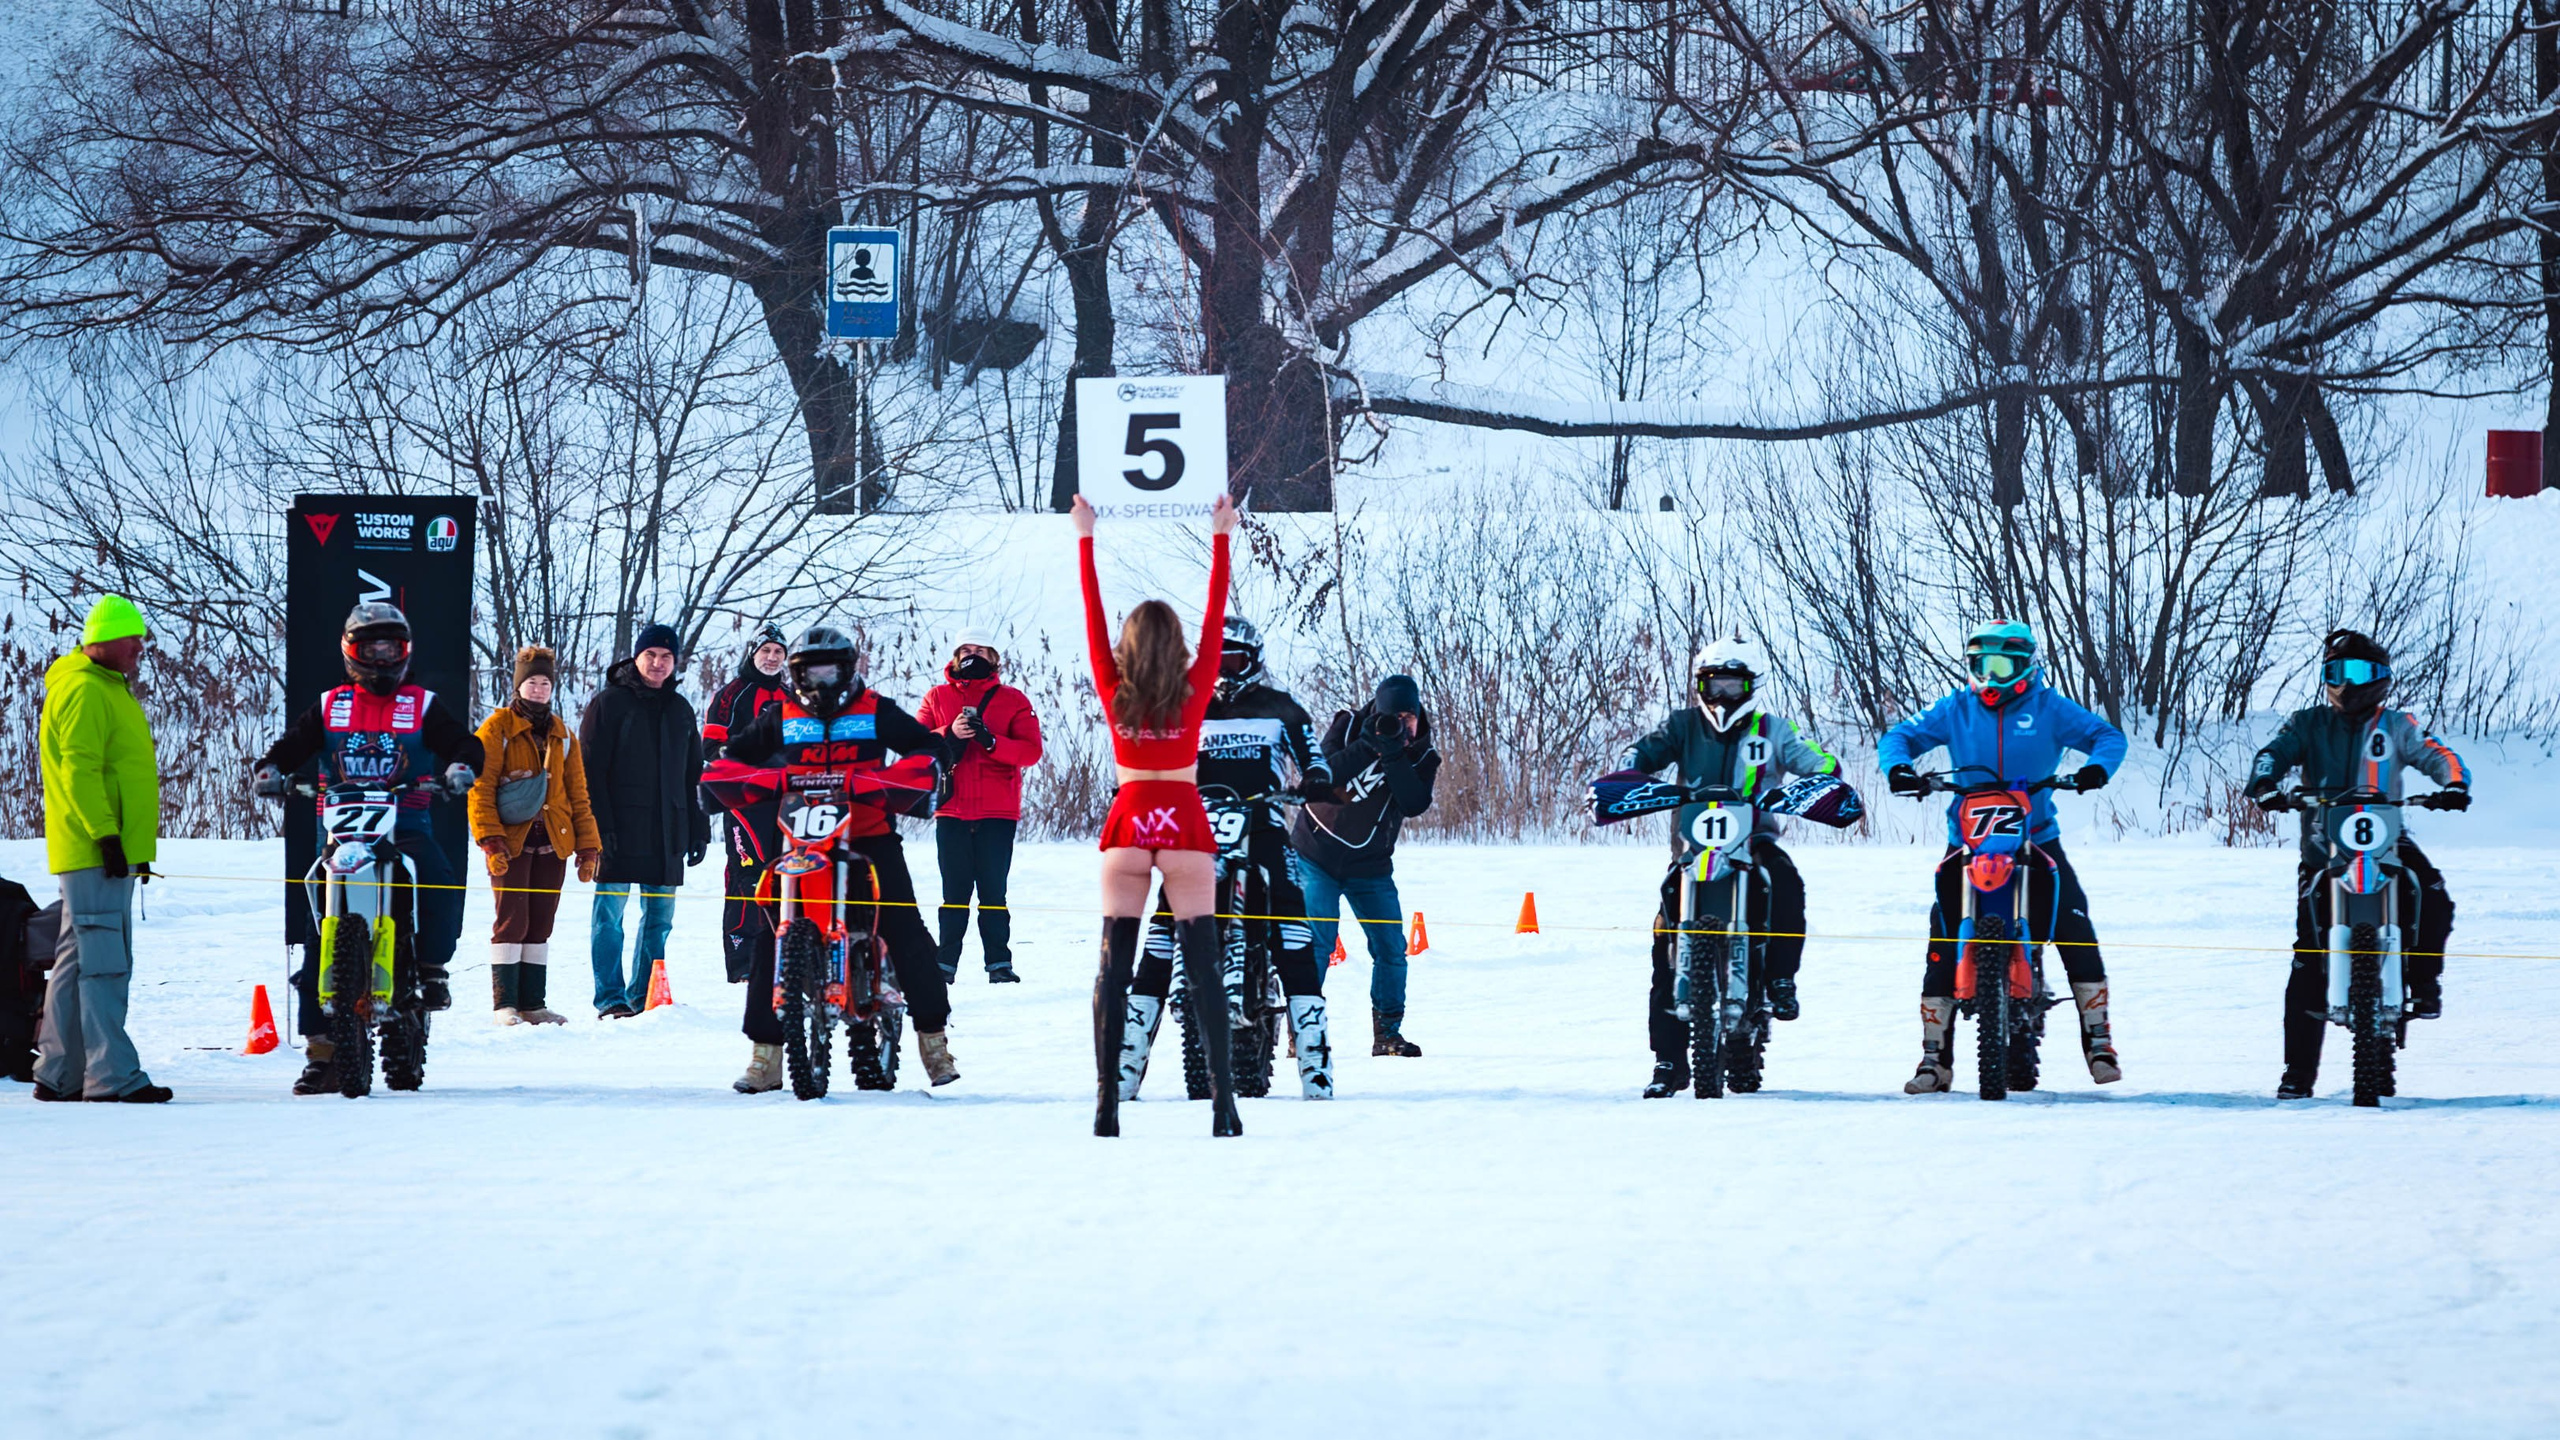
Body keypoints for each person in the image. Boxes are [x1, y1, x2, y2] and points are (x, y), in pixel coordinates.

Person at [1880, 620, 2126, 1094]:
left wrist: (2096, 769)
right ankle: (1934, 1060)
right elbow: (1898, 737)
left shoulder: (2049, 707)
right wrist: (1900, 769)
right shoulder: (1955, 707)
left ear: (2025, 666)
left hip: (2037, 837)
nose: (1989, 677)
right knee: (1943, 935)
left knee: (2073, 923)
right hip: (1968, 841)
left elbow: (2107, 736)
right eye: (1980, 665)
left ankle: (2099, 1042)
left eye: (2001, 666)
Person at [719, 625, 962, 1090]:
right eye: (810, 672)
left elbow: (929, 746)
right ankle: (765, 1056)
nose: (820, 681)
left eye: (829, 671)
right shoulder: (781, 714)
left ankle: (933, 1041)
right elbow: (737, 755)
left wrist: (911, 774)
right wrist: (725, 773)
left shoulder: (874, 709)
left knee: (904, 927)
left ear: (847, 670)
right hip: (802, 842)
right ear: (796, 674)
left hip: (869, 835)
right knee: (771, 934)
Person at [254, 601, 483, 1095]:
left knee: (439, 879)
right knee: (318, 934)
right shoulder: (330, 705)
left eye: (390, 649)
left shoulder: (421, 704)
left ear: (405, 652)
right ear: (350, 652)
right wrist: (271, 769)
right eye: (371, 649)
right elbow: (291, 746)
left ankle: (431, 968)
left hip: (405, 825)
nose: (381, 659)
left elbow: (462, 743)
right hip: (340, 832)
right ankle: (322, 1055)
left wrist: (461, 767)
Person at [1079, 490, 1244, 1137]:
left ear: (1127, 646)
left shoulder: (1113, 687)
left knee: (1112, 968)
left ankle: (1106, 1103)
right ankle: (1224, 1104)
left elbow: (1092, 617)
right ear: (1175, 645)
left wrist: (1086, 538)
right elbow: (1215, 618)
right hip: (1183, 822)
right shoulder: (1195, 686)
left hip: (1130, 821)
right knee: (1204, 969)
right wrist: (1221, 535)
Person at [1120, 611, 1338, 1099]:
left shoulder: (1281, 706)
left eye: (1235, 659)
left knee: (1293, 932)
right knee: (1162, 930)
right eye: (1218, 659)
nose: (1226, 668)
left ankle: (1316, 1072)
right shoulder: (1185, 705)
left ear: (1253, 660)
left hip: (1263, 822)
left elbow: (1312, 755)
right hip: (1199, 826)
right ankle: (1124, 1071)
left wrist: (1316, 779)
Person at [2244, 629, 2469, 1100]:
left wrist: (2453, 784)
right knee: (2307, 957)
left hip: (2386, 842)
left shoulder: (2397, 725)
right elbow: (2272, 754)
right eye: (2336, 672)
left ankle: (2424, 983)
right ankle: (2297, 1076)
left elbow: (2437, 753)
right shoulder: (2307, 723)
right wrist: (2265, 785)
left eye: (2359, 672)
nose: (2346, 683)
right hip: (2323, 847)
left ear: (2381, 678)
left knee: (2435, 897)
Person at [1621, 637, 1841, 1098]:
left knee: (1787, 882)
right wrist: (1628, 772)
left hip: (1755, 841)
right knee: (1665, 941)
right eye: (1713, 684)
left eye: (1731, 685)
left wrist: (1822, 774)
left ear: (1750, 686)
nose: (1721, 695)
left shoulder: (1773, 729)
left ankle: (1780, 979)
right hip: (1692, 851)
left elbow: (1813, 759)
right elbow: (1644, 752)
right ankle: (1668, 1062)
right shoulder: (1682, 726)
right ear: (1700, 685)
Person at [31, 595, 171, 1103]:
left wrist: (131, 846)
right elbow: (81, 770)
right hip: (94, 849)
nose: (140, 647)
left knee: (77, 956)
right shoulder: (86, 690)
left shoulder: (103, 686)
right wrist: (108, 837)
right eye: (132, 638)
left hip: (100, 849)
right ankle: (113, 1076)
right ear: (104, 641)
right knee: (104, 964)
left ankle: (59, 1073)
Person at [1290, 673, 1439, 1068]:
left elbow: (1414, 802)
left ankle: (1387, 1034)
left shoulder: (1424, 756)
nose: (1402, 725)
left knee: (1391, 948)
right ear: (1377, 712)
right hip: (1315, 854)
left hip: (1370, 865)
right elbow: (1318, 777)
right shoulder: (1349, 725)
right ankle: (1301, 1031)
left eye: (1409, 717)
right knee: (1317, 942)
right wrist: (1367, 745)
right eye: (1394, 717)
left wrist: (1393, 756)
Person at [579, 623, 709, 1019]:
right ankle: (611, 998)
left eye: (666, 657)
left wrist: (698, 827)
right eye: (650, 655)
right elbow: (589, 772)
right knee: (609, 918)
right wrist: (600, 827)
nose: (658, 663)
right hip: (617, 829)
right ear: (636, 658)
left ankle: (644, 995)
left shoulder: (681, 709)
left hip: (667, 831)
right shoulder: (609, 704)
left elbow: (693, 775)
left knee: (659, 920)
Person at [469, 647, 601, 1025]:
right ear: (518, 686)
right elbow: (480, 788)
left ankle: (533, 1004)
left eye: (545, 683)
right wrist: (490, 839)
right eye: (532, 682)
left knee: (542, 921)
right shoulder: (497, 730)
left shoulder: (563, 735)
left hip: (554, 842)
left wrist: (588, 846)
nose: (539, 689)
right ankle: (505, 1004)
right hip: (511, 842)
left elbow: (578, 795)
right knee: (512, 920)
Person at [916, 628, 1044, 984]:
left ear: (993, 657)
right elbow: (915, 745)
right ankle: (944, 964)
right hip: (952, 809)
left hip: (997, 811)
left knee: (993, 892)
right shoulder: (937, 696)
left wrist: (991, 741)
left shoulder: (1013, 699)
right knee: (953, 893)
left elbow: (1031, 751)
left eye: (981, 650)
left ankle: (999, 963)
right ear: (956, 656)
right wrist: (948, 733)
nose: (973, 655)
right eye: (966, 650)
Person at [702, 624, 791, 988]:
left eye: (778, 652)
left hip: (786, 802)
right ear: (753, 653)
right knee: (747, 875)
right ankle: (742, 962)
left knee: (787, 875)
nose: (771, 658)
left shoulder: (792, 695)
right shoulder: (731, 694)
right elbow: (710, 748)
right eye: (765, 651)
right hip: (743, 801)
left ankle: (784, 957)